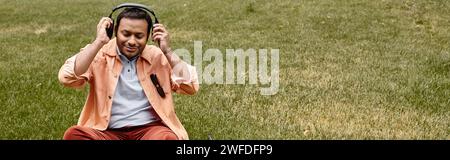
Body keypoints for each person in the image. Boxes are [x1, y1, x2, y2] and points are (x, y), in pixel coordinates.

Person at [58, 7, 199, 140]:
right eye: (125, 34)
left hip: (149, 130)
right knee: (74, 134)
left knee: (166, 138)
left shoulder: (157, 56)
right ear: (114, 32)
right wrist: (98, 42)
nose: (131, 41)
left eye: (139, 36)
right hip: (107, 131)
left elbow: (190, 86)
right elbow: (67, 77)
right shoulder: (99, 53)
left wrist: (167, 50)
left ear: (149, 36)